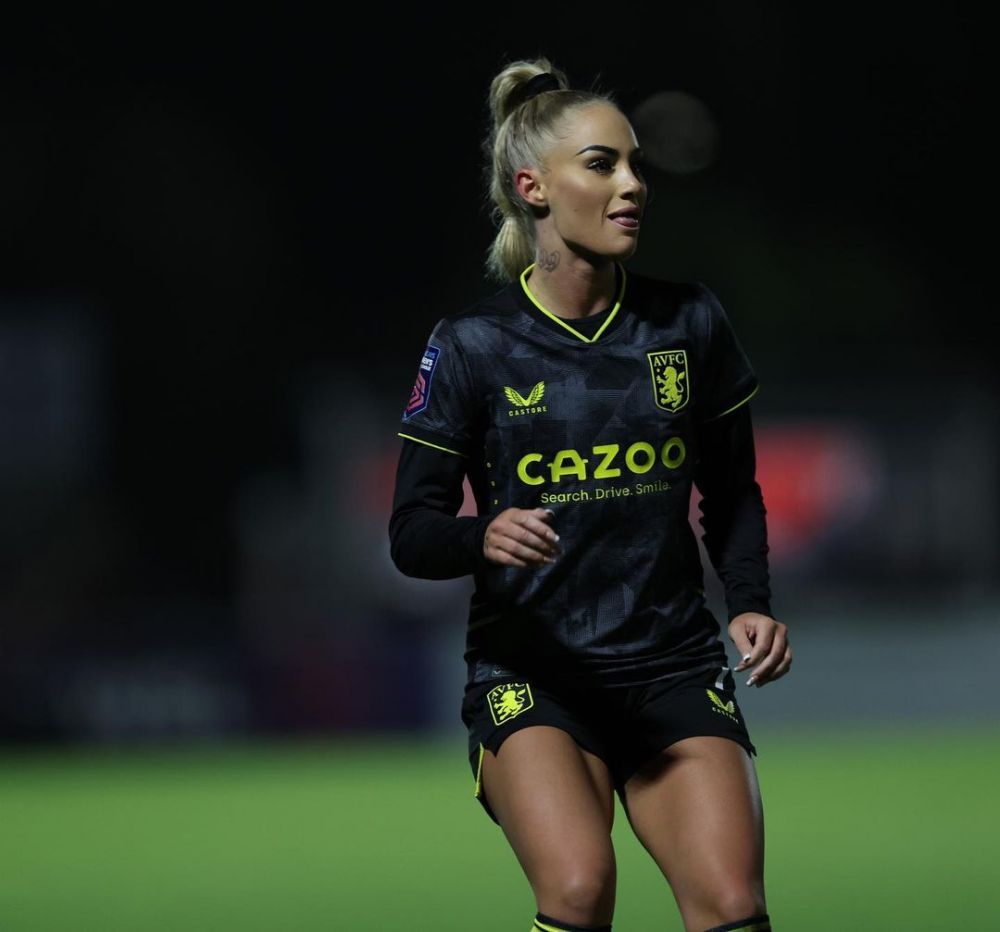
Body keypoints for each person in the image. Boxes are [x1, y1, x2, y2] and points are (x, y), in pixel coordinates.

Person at [388, 56, 791, 932]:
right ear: (532, 187)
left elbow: (732, 490)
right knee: (577, 890)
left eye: (635, 165)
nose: (633, 185)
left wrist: (751, 601)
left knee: (732, 905)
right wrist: (481, 535)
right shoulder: (471, 346)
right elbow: (412, 532)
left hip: (671, 666)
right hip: (535, 676)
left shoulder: (690, 321)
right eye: (603, 165)